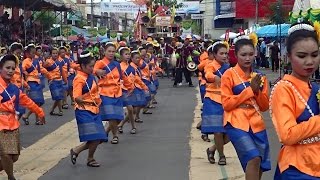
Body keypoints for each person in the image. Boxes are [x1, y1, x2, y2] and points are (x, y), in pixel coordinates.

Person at [270, 22, 320, 179]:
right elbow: (287, 135)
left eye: (315, 54)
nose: (310, 61)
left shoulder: (315, 87)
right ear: (288, 56)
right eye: (302, 56)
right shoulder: (283, 89)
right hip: (297, 168)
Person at [221, 34, 271, 180]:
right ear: (236, 55)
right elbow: (227, 104)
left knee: (260, 162)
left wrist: (257, 92)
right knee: (253, 158)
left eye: (251, 54)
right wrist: (249, 90)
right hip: (236, 122)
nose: (247, 58)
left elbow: (264, 106)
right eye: (243, 55)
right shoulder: (229, 75)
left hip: (256, 123)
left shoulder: (260, 77)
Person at [0, 54, 45, 180]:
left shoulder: (14, 88)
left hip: (12, 123)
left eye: (13, 68)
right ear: (0, 68)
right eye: (7, 67)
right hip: (0, 124)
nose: (10, 71)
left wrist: (40, 112)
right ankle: (11, 177)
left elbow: (27, 101)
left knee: (14, 157)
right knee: (6, 154)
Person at [70, 51, 106, 168]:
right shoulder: (79, 79)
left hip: (94, 109)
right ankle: (90, 158)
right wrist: (89, 101)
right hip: (84, 110)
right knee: (95, 137)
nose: (92, 68)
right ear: (83, 66)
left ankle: (76, 151)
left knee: (99, 137)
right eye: (90, 66)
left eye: (93, 66)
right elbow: (77, 98)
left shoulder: (90, 75)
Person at [202, 41, 230, 165]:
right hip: (213, 100)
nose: (224, 56)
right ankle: (222, 156)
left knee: (231, 132)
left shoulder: (228, 67)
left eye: (226, 53)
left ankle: (212, 149)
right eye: (221, 53)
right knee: (218, 131)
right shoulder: (210, 65)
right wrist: (214, 78)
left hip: (227, 101)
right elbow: (207, 74)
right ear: (214, 54)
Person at [94, 42, 124, 144]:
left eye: (113, 51)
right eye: (109, 51)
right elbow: (92, 70)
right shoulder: (100, 63)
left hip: (117, 93)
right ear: (104, 52)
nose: (111, 53)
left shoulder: (117, 64)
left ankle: (106, 131)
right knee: (111, 116)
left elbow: (121, 77)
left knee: (119, 117)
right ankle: (115, 136)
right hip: (105, 93)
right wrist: (97, 72)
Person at [21, 44, 48, 125]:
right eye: (32, 53)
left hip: (37, 81)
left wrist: (47, 74)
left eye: (34, 53)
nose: (33, 54)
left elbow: (40, 69)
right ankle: (30, 117)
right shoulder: (25, 61)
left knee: (39, 102)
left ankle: (29, 117)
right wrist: (26, 76)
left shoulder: (36, 60)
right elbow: (22, 70)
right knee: (36, 101)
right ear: (27, 54)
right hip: (31, 82)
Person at [117, 47, 138, 134]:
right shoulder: (119, 66)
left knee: (133, 110)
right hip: (123, 90)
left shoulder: (132, 66)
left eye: (129, 54)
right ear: (121, 56)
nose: (128, 56)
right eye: (126, 54)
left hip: (132, 90)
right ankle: (133, 127)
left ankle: (121, 125)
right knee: (129, 109)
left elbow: (135, 78)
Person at [43, 48, 66, 116]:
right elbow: (43, 69)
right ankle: (60, 110)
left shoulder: (60, 61)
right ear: (51, 54)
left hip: (59, 80)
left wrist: (65, 80)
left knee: (59, 97)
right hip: (53, 81)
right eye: (53, 53)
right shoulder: (48, 61)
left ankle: (52, 110)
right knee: (57, 96)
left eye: (56, 53)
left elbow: (62, 72)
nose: (55, 54)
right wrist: (49, 77)